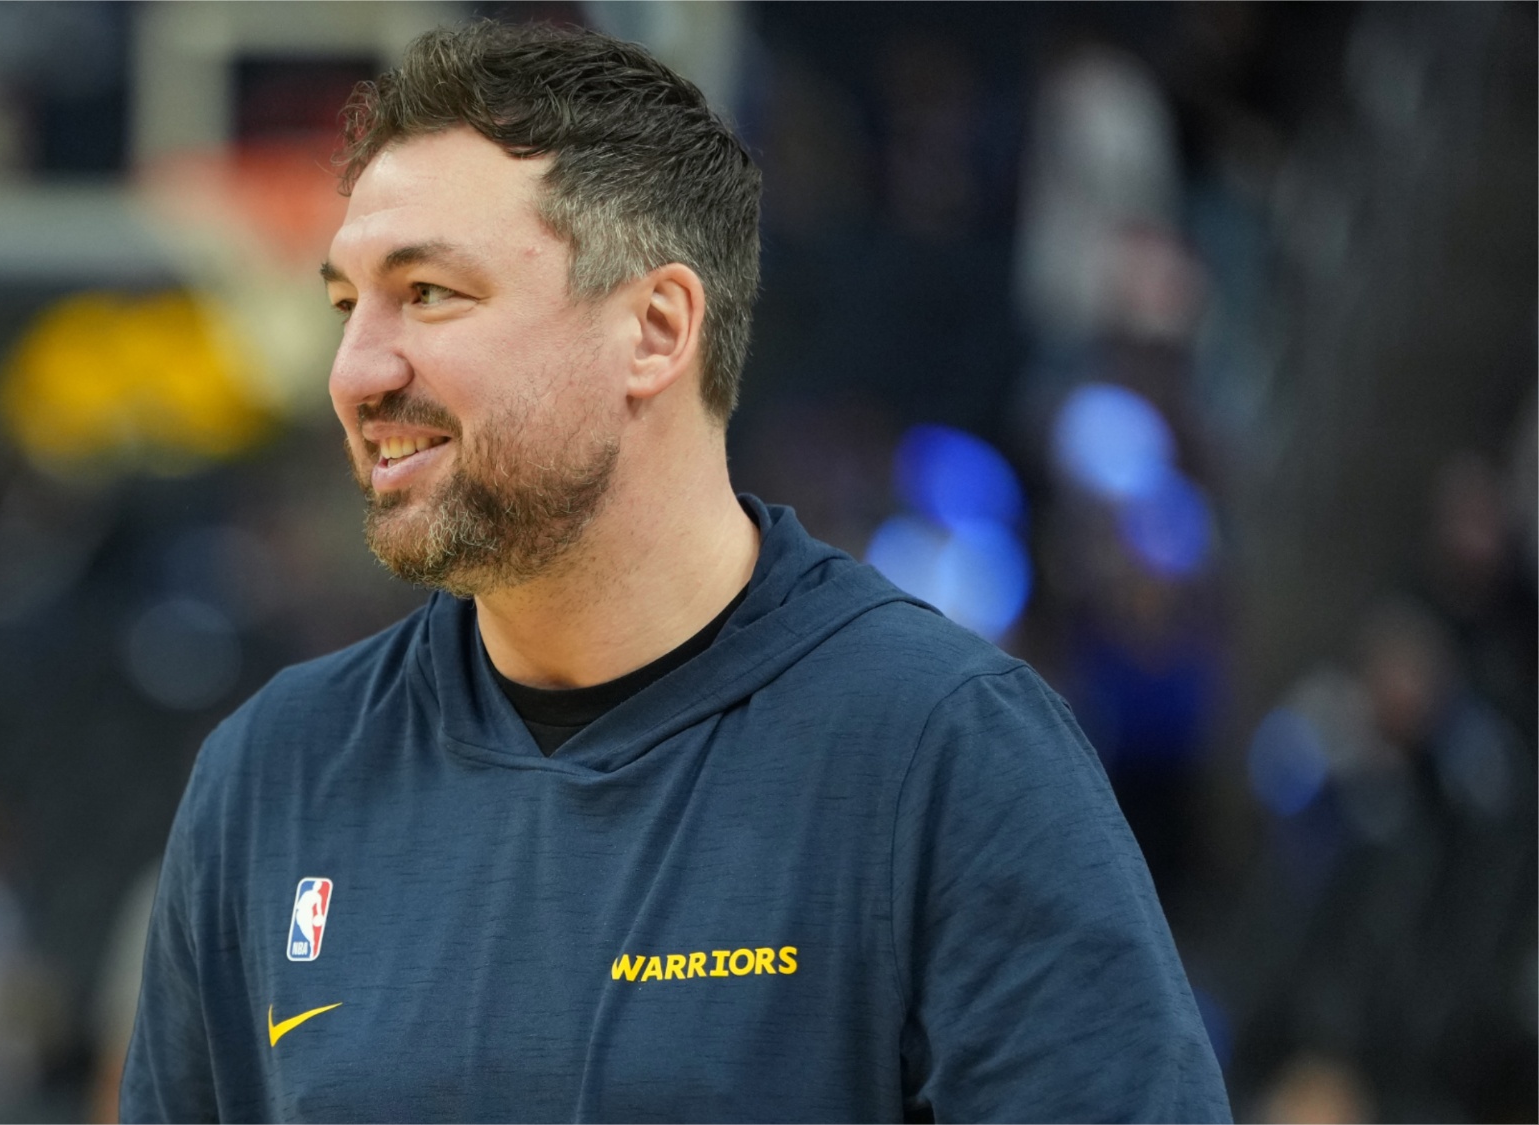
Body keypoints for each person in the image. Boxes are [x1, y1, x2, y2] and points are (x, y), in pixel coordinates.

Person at [124, 21, 1229, 1123]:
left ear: (654, 330)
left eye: (429, 294)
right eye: (343, 304)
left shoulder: (945, 753)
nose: (356, 369)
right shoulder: (272, 774)